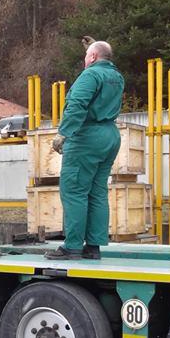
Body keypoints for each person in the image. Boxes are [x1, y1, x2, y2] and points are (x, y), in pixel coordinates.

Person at [47, 40, 124, 260]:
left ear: (91, 57)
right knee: (97, 192)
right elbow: (103, 58)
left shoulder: (89, 75)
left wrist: (64, 133)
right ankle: (93, 247)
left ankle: (72, 247)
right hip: (110, 136)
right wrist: (96, 47)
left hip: (87, 137)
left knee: (74, 191)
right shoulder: (116, 77)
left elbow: (77, 104)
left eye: (87, 56)